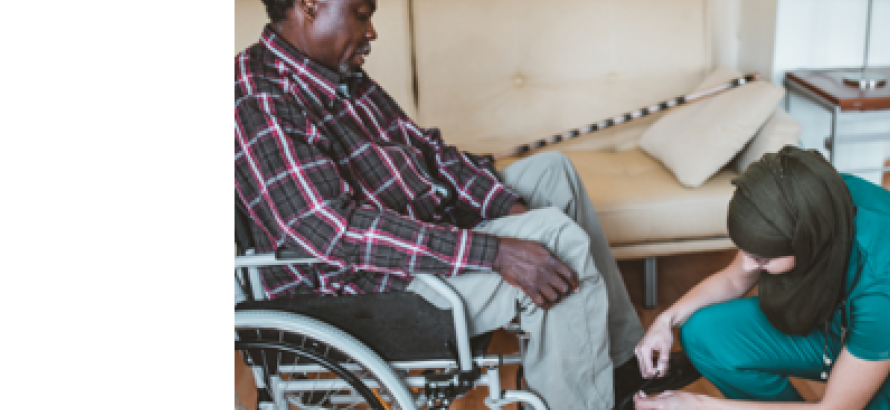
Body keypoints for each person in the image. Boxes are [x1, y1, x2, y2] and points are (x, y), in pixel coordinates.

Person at [233, 0, 700, 408]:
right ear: (310, 3)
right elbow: (333, 230)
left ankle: (621, 365)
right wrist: (495, 250)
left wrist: (508, 208)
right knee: (557, 241)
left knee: (554, 173)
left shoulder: (338, 75)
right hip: (361, 287)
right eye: (361, 12)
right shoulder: (260, 98)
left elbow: (430, 154)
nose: (371, 30)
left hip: (412, 237)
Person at [631, 146, 890, 409]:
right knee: (706, 333)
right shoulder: (807, 199)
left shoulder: (889, 282)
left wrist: (701, 404)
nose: (747, 265)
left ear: (805, 243)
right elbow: (733, 279)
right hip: (836, 322)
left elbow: (837, 407)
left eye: (762, 259)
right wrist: (665, 321)